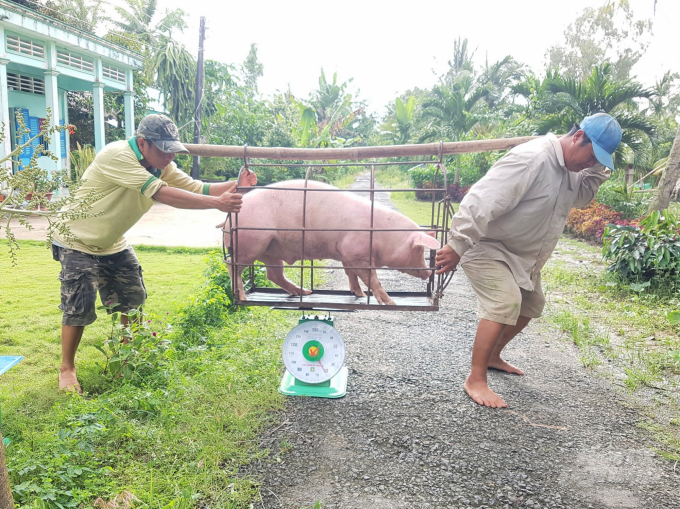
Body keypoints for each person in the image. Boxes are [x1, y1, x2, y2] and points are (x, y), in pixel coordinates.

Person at [52, 114, 256, 393]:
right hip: (76, 239)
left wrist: (236, 184)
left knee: (132, 298)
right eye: (164, 150)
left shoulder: (161, 164)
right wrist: (217, 203)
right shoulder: (117, 155)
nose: (170, 157)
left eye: (173, 150)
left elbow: (198, 187)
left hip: (113, 242)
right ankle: (67, 369)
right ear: (142, 143)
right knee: (79, 303)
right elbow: (160, 193)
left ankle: (128, 358)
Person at [435, 113, 622, 408]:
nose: (590, 163)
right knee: (505, 302)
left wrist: (597, 170)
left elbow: (582, 197)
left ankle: (494, 355)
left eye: (598, 160)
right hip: (487, 245)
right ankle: (475, 378)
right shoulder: (533, 158)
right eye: (591, 156)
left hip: (521, 256)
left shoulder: (572, 170)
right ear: (577, 137)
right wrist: (458, 244)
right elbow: (482, 199)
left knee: (532, 305)